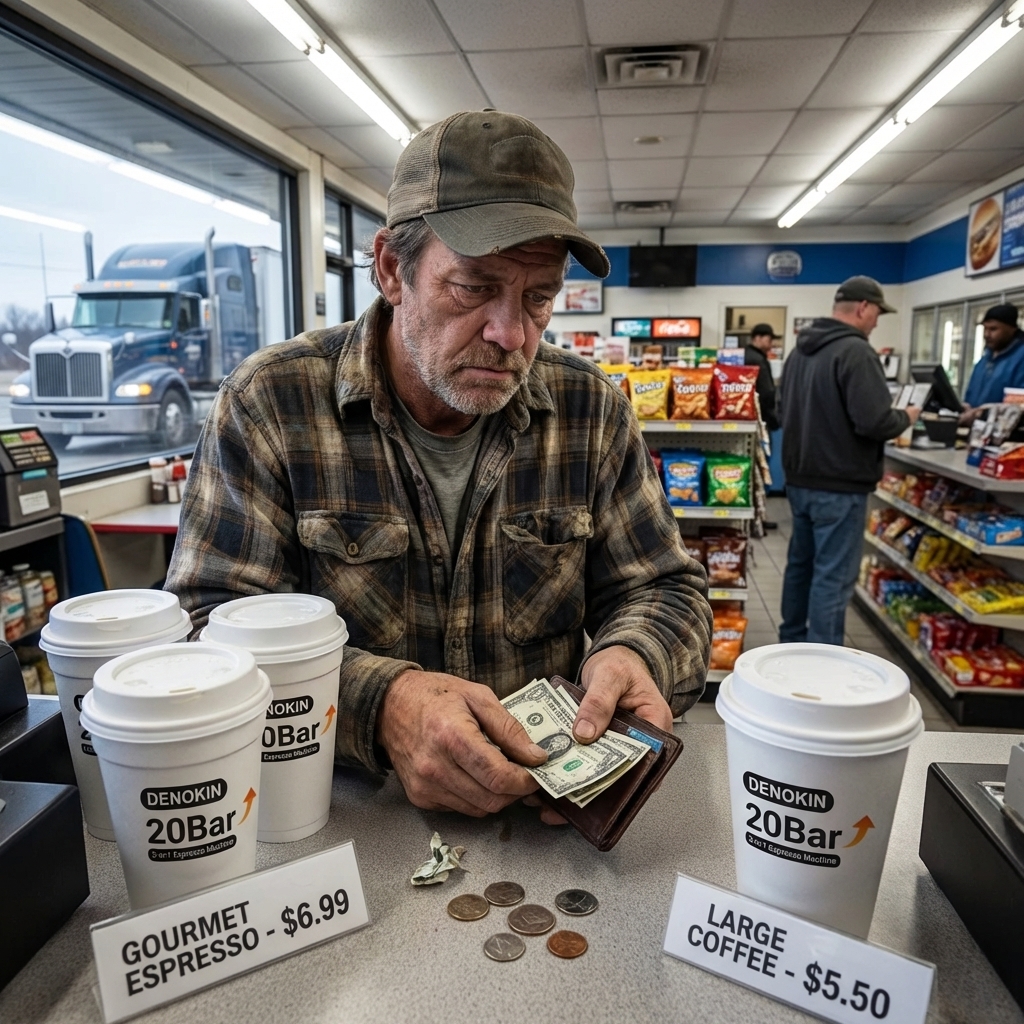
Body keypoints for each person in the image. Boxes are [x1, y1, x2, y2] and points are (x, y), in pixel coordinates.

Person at [166, 110, 712, 826]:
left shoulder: (590, 409)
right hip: (340, 813)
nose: (511, 334)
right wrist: (378, 703)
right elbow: (206, 625)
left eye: (538, 296)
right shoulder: (272, 403)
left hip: (540, 817)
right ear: (393, 268)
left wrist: (636, 655)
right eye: (474, 287)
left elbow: (667, 588)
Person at [778, 276, 920, 646]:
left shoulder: (799, 352)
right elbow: (874, 421)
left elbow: (781, 410)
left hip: (799, 479)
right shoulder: (856, 352)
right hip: (840, 484)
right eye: (877, 314)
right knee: (832, 577)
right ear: (863, 308)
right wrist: (908, 415)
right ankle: (825, 662)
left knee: (800, 567)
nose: (876, 322)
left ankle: (790, 643)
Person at [959, 303, 1024, 422]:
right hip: (977, 432)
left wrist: (981, 414)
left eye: (993, 329)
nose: (986, 334)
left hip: (1007, 435)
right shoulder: (984, 360)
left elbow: (1019, 405)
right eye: (985, 328)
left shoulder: (1020, 358)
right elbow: (970, 394)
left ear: (1012, 329)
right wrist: (966, 408)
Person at [744, 323, 780, 432]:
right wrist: (773, 418)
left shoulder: (743, 355)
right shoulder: (758, 360)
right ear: (757, 338)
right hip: (761, 417)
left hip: (744, 413)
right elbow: (766, 392)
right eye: (769, 339)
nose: (771, 344)